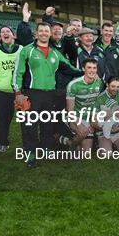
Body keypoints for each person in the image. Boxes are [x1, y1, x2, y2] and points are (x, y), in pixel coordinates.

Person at [13, 22, 82, 168]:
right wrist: (18, 93)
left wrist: (85, 73)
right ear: (36, 33)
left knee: (47, 124)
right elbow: (17, 73)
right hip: (31, 93)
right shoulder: (27, 50)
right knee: (30, 125)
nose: (44, 33)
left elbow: (69, 68)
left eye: (46, 31)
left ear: (50, 34)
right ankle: (30, 155)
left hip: (50, 94)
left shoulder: (55, 53)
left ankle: (45, 149)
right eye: (41, 31)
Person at [0, 26, 23, 153]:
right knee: (3, 120)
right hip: (3, 93)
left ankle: (28, 144)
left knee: (26, 119)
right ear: (0, 36)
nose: (5, 33)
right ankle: (1, 143)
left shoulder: (22, 50)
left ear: (14, 35)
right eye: (2, 32)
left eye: (8, 31)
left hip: (21, 93)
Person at [66, 59, 104, 153]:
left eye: (94, 68)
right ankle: (71, 144)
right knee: (83, 132)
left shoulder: (100, 82)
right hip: (76, 116)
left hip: (90, 116)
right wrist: (80, 125)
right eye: (89, 68)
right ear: (83, 69)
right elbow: (70, 111)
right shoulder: (73, 85)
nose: (92, 70)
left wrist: (93, 120)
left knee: (86, 154)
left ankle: (98, 142)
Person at [94, 76, 119, 153]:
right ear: (107, 84)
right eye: (113, 86)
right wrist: (106, 128)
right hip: (103, 131)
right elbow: (94, 121)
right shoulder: (100, 98)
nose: (115, 89)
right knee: (107, 154)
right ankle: (101, 143)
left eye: (118, 87)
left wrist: (115, 114)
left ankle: (116, 144)